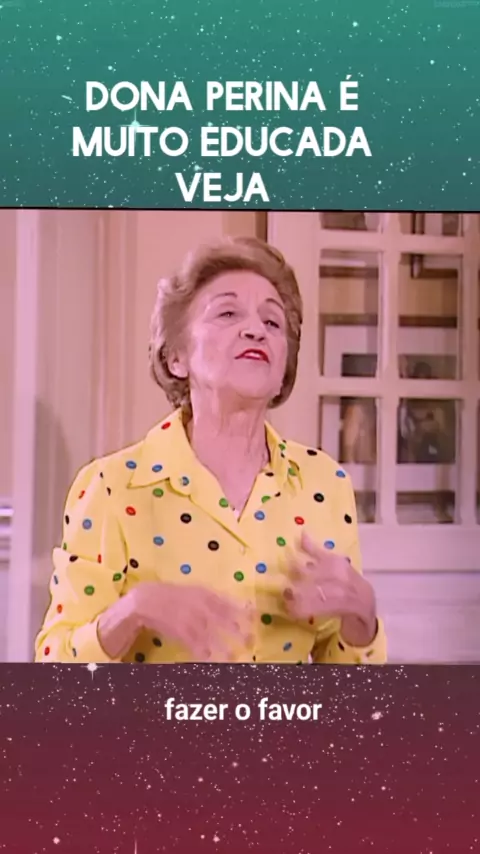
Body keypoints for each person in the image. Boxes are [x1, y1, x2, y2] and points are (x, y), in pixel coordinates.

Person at [35, 237, 387, 665]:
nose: (256, 330)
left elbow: (350, 692)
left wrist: (363, 622)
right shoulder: (111, 488)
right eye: (227, 313)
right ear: (176, 357)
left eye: (272, 322)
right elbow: (54, 673)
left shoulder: (325, 484)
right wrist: (134, 610)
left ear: (283, 369)